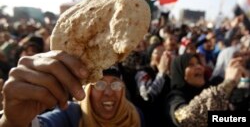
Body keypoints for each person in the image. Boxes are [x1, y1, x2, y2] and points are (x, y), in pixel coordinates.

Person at [0, 51, 143, 127]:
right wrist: (13, 123)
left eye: (115, 84)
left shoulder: (134, 115)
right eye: (99, 84)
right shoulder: (70, 114)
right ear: (87, 90)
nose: (108, 92)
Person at [165, 53, 246, 127]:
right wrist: (227, 84)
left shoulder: (211, 86)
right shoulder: (174, 97)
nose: (199, 67)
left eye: (198, 63)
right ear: (180, 72)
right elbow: (184, 117)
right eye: (190, 65)